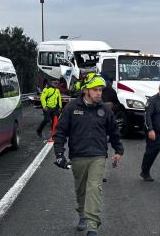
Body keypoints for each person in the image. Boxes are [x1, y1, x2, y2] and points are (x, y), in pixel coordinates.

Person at [53, 74, 124, 236]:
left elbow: (114, 131)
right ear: (86, 91)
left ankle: (92, 225)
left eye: (100, 90)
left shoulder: (105, 110)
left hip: (98, 155)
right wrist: (59, 153)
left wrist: (118, 150)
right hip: (78, 155)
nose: (99, 93)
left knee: (94, 188)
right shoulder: (71, 108)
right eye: (95, 90)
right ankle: (82, 214)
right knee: (81, 190)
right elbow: (60, 132)